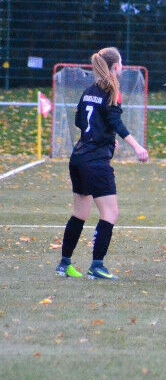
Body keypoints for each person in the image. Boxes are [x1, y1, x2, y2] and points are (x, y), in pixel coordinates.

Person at [55, 47, 149, 280]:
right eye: (121, 64)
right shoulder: (112, 90)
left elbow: (81, 121)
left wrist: (104, 136)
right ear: (116, 67)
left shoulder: (89, 91)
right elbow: (115, 121)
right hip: (95, 161)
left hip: (79, 158)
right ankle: (96, 266)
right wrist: (137, 146)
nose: (122, 68)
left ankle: (64, 264)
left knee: (80, 213)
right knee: (111, 213)